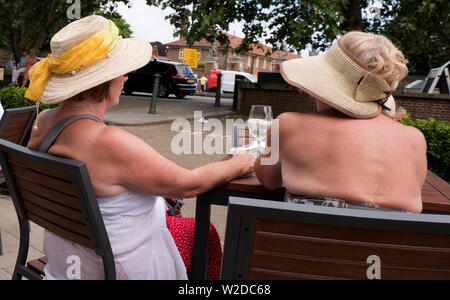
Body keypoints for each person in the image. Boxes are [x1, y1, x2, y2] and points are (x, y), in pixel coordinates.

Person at [25, 15, 254, 280]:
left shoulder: (44, 121)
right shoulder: (107, 141)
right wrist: (238, 163)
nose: (126, 76)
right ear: (104, 79)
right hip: (115, 267)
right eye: (122, 70)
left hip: (67, 261)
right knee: (204, 232)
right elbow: (190, 184)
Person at [253, 31, 427, 213]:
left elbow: (268, 180)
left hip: (304, 240)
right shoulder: (415, 139)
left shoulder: (288, 125)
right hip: (394, 241)